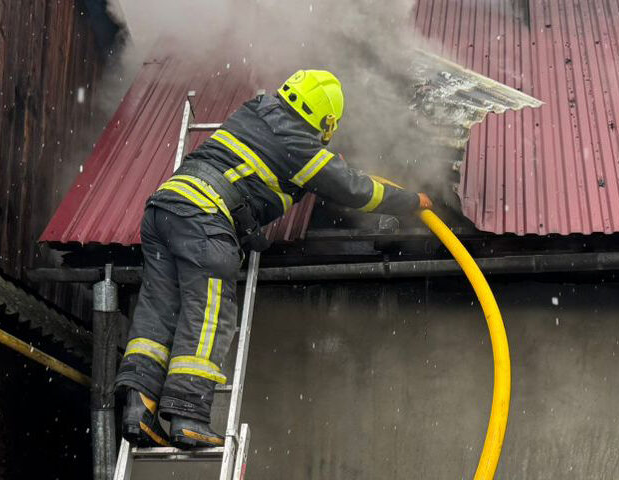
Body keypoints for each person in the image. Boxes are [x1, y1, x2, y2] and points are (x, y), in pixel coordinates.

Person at [116, 69, 432, 449]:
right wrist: (412, 201)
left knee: (158, 308)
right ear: (326, 121)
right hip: (205, 218)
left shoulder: (255, 109)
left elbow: (270, 164)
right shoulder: (301, 147)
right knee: (208, 313)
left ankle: (140, 408)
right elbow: (357, 191)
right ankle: (187, 415)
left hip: (163, 209)